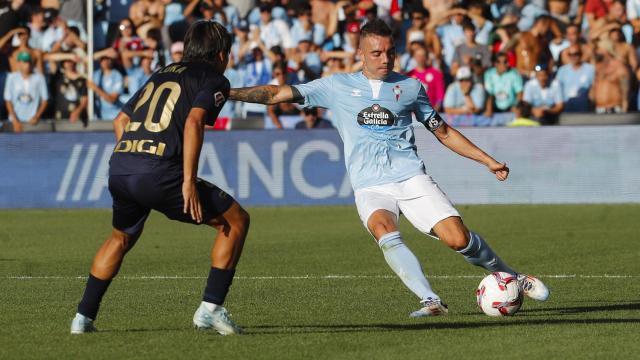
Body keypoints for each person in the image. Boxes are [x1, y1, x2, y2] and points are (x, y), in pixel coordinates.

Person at [228, 19, 549, 317]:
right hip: (370, 185)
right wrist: (227, 92)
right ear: (361, 54)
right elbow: (276, 94)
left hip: (410, 178)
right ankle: (431, 300)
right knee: (384, 230)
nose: (385, 59)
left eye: (390, 52)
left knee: (458, 239)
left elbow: (444, 132)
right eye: (377, 53)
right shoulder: (336, 86)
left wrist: (488, 161)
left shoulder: (410, 88)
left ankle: (515, 277)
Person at [70, 20, 249, 336]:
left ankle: (81, 320)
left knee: (120, 238)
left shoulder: (163, 71)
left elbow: (121, 119)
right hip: (160, 172)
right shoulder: (215, 78)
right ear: (222, 53)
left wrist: (133, 156)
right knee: (235, 221)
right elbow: (195, 121)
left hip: (122, 165)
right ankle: (211, 309)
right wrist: (188, 181)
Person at [4, 51, 48, 133]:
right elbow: (8, 100)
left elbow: (45, 100)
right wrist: (15, 120)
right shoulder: (11, 77)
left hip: (32, 123)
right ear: (19, 63)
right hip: (14, 122)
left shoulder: (39, 78)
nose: (26, 64)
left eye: (28, 62)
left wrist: (36, 116)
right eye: (23, 62)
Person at [590, 39, 630, 113]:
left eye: (599, 48)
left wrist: (625, 105)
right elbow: (594, 86)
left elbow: (625, 88)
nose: (596, 51)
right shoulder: (597, 67)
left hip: (614, 108)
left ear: (606, 49)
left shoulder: (618, 65)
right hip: (599, 109)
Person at [556, 44, 595, 112]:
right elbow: (557, 89)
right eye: (570, 54)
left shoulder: (590, 69)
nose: (573, 57)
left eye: (576, 54)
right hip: (566, 104)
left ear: (581, 54)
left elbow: (594, 86)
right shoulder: (562, 70)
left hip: (584, 104)